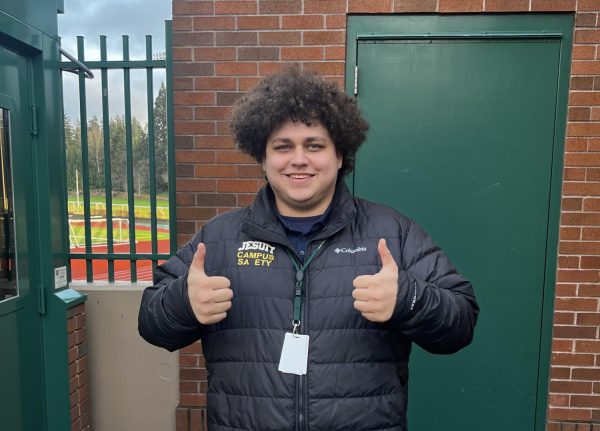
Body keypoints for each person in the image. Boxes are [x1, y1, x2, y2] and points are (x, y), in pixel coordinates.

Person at [138, 65, 479, 431]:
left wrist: (408, 298)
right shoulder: (218, 239)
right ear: (263, 157)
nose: (298, 159)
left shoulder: (393, 232)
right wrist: (183, 303)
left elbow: (460, 321)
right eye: (283, 147)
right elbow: (151, 322)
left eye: (314, 145)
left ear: (339, 156)